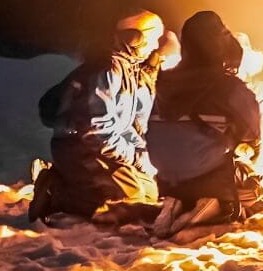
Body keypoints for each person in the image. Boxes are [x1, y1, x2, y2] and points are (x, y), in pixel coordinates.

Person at [30, 11, 164, 224]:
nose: (155, 46)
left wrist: (142, 155)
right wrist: (135, 158)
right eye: (153, 38)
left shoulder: (128, 69)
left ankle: (79, 187)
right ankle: (56, 190)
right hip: (80, 150)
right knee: (126, 201)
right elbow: (96, 131)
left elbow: (127, 125)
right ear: (135, 38)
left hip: (104, 150)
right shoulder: (106, 71)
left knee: (149, 193)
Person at [148, 10, 262, 235]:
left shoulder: (164, 81)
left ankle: (176, 202)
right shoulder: (228, 86)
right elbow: (252, 130)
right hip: (207, 173)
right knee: (253, 189)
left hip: (166, 176)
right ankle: (214, 205)